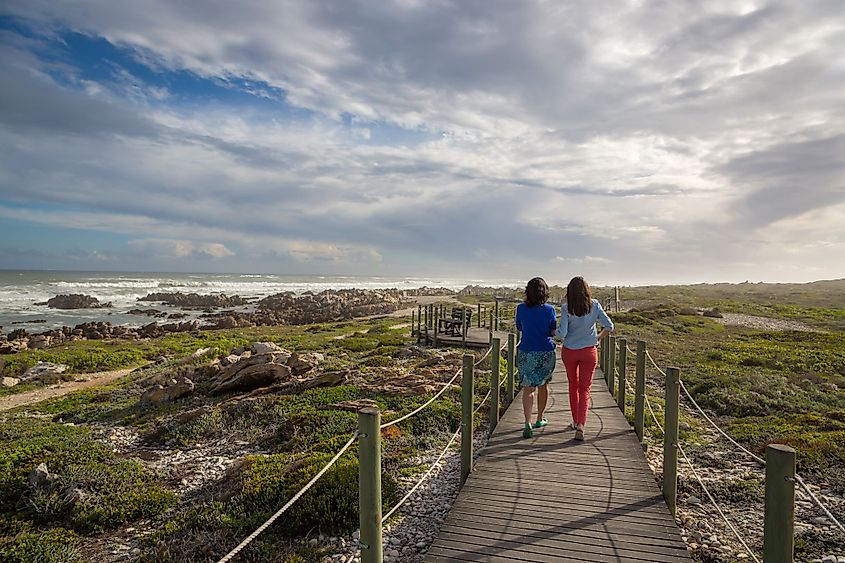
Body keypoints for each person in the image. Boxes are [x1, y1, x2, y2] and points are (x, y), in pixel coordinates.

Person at [555, 276, 613, 441]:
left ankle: (575, 421)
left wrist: (554, 333)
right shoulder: (594, 305)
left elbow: (563, 333)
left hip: (570, 352)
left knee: (573, 386)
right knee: (585, 389)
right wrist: (598, 338)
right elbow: (609, 326)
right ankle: (581, 425)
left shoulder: (567, 308)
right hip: (589, 352)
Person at [515, 277, 557, 438]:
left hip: (526, 351)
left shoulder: (521, 308)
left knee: (528, 389)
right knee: (543, 386)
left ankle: (527, 423)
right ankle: (540, 418)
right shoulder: (550, 310)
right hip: (546, 351)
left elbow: (519, 326)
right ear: (544, 292)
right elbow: (552, 330)